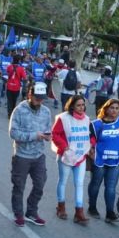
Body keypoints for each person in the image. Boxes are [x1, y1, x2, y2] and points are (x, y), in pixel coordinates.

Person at [9, 83, 52, 227]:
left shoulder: (46, 111)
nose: (40, 101)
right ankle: (19, 214)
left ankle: (31, 211)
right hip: (22, 156)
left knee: (40, 184)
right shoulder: (19, 110)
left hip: (39, 155)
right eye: (37, 98)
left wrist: (47, 135)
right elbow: (13, 133)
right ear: (30, 95)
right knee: (19, 186)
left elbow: (47, 129)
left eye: (42, 98)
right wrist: (35, 135)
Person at [51, 94, 93, 224]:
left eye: (83, 105)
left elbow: (91, 135)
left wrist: (91, 144)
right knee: (63, 181)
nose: (81, 107)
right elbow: (55, 134)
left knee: (79, 183)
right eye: (78, 105)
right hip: (66, 155)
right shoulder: (63, 118)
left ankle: (79, 212)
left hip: (80, 156)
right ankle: (61, 206)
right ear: (72, 106)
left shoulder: (86, 119)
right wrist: (64, 146)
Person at [87, 98, 119, 223]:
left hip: (115, 161)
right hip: (99, 161)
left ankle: (110, 213)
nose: (114, 110)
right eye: (112, 108)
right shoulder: (97, 124)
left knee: (111, 188)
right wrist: (92, 153)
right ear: (106, 109)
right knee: (95, 185)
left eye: (117, 108)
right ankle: (92, 207)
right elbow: (89, 142)